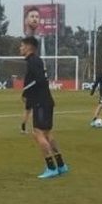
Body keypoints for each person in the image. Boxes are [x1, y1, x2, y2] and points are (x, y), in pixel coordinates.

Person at [20, 36, 68, 179]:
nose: (20, 48)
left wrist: (25, 91)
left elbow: (39, 79)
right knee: (47, 133)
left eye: (22, 46)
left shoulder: (33, 61)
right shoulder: (36, 60)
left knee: (38, 133)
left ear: (29, 47)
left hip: (41, 103)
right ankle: (61, 165)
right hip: (45, 101)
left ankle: (51, 167)